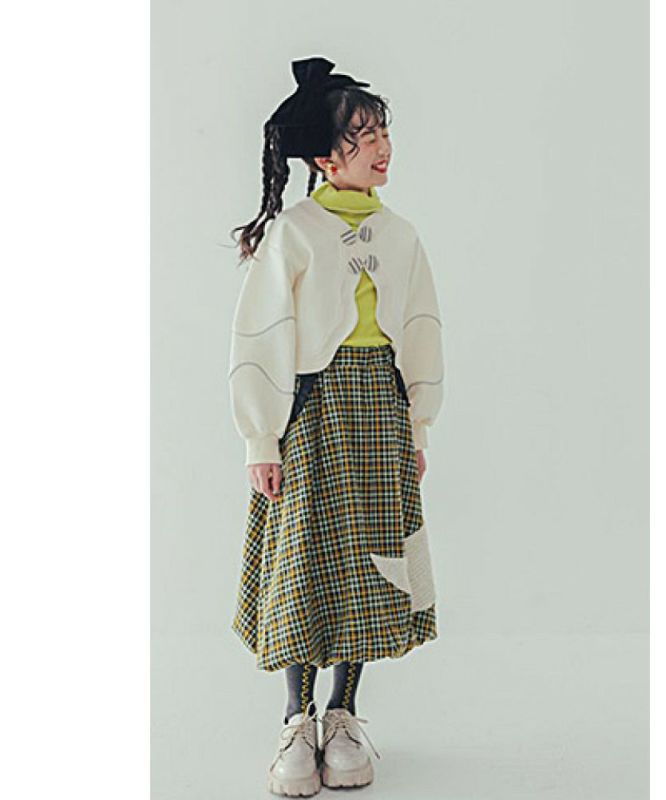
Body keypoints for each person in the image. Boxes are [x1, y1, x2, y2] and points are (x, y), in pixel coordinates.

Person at [227, 56, 445, 797]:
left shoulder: (401, 235)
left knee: (369, 559)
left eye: (383, 131)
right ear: (325, 158)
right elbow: (260, 335)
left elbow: (421, 331)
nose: (382, 147)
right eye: (364, 136)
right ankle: (297, 720)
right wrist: (261, 437)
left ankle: (344, 715)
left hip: (379, 410)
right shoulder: (295, 233)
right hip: (311, 411)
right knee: (304, 556)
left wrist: (416, 427)